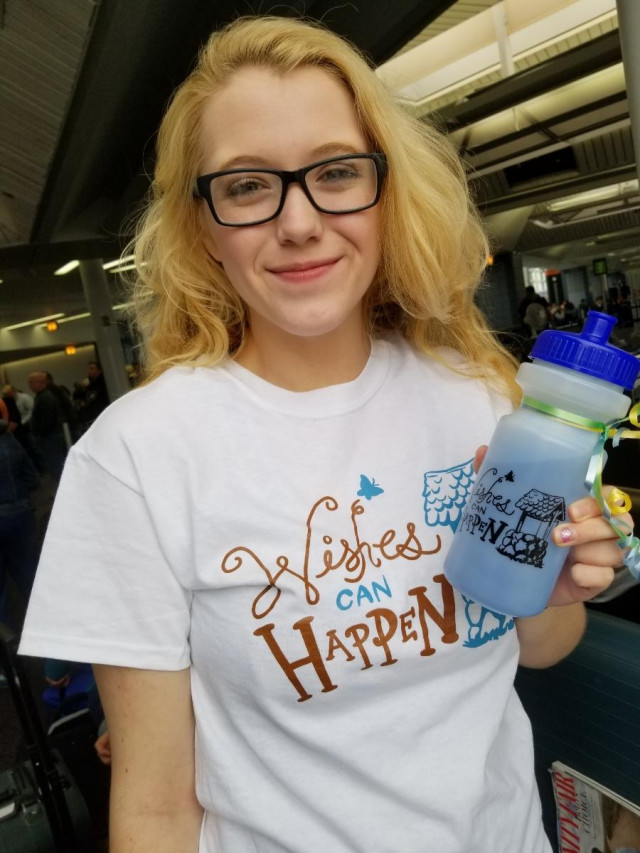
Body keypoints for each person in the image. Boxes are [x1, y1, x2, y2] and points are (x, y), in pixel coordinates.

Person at [19, 16, 633, 853]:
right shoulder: (138, 457)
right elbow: (156, 807)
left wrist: (560, 586)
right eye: (246, 186)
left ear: (387, 191)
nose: (300, 221)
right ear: (203, 226)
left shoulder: (484, 396)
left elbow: (540, 649)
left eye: (336, 172)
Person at [0, 419, 40, 630]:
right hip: (20, 516)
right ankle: (45, 631)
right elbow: (33, 479)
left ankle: (7, 648)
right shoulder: (11, 442)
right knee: (31, 579)